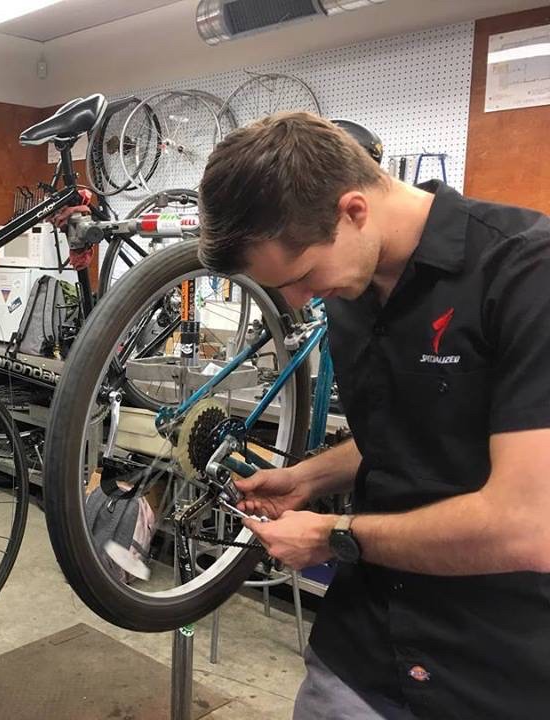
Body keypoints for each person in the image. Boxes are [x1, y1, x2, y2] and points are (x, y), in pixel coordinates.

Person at [197, 113, 550, 719]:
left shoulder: (525, 271)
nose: (298, 301)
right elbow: (415, 428)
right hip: (361, 654)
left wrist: (334, 537)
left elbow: (527, 524)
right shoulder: (350, 291)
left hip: (492, 667)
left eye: (302, 277)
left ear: (353, 210)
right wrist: (310, 479)